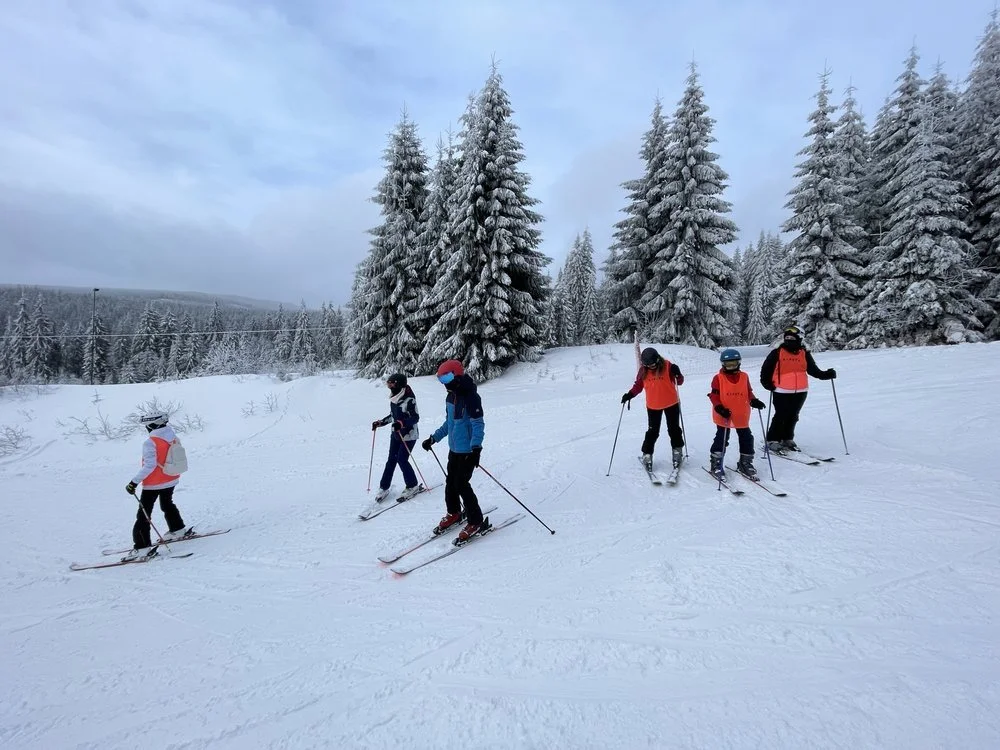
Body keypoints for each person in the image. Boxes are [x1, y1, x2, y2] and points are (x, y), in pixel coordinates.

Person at [421, 359, 488, 542]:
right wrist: (434, 438)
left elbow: (478, 424)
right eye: (441, 379)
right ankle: (454, 513)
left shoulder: (471, 397)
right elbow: (449, 423)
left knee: (461, 484)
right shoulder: (451, 397)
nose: (444, 383)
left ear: (457, 376)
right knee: (451, 482)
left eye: (447, 378)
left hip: (467, 451)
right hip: (454, 449)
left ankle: (476, 521)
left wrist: (476, 449)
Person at [759, 325, 837, 452]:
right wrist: (767, 384)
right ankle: (772, 439)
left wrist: (826, 375)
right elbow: (766, 370)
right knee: (781, 415)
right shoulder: (777, 353)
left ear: (800, 339)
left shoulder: (804, 353)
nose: (789, 340)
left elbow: (813, 370)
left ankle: (787, 438)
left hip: (801, 390)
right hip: (781, 390)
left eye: (792, 338)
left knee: (793, 416)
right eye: (787, 338)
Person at [124, 413, 189, 559]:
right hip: (171, 478)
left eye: (147, 425)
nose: (146, 428)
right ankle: (177, 529)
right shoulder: (172, 437)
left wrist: (133, 482)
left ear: (152, 426)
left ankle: (142, 548)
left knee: (143, 514)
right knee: (167, 503)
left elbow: (150, 466)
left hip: (153, 484)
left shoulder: (150, 443)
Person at [621, 347, 686, 472]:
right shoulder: (643, 371)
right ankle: (647, 455)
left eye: (652, 364)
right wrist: (629, 395)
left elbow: (680, 382)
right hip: (653, 406)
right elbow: (638, 386)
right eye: (648, 365)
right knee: (653, 432)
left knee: (674, 429)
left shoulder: (668, 366)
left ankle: (677, 452)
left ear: (657, 359)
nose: (651, 367)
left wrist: (678, 374)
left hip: (671, 403)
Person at [708, 348, 766, 480]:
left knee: (747, 438)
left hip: (741, 413)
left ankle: (745, 463)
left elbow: (748, 392)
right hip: (724, 413)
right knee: (722, 438)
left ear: (739, 363)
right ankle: (716, 463)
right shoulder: (718, 378)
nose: (731, 367)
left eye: (733, 363)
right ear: (723, 364)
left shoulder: (744, 376)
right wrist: (719, 408)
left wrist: (754, 400)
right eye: (728, 364)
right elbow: (714, 396)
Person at [371, 373, 422, 502]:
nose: (390, 386)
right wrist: (381, 422)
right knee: (391, 460)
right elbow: (393, 416)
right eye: (388, 384)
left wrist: (402, 423)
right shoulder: (394, 398)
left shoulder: (409, 399)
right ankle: (384, 487)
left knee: (402, 459)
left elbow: (415, 417)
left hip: (409, 435)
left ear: (399, 384)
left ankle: (412, 485)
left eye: (391, 384)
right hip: (396, 434)